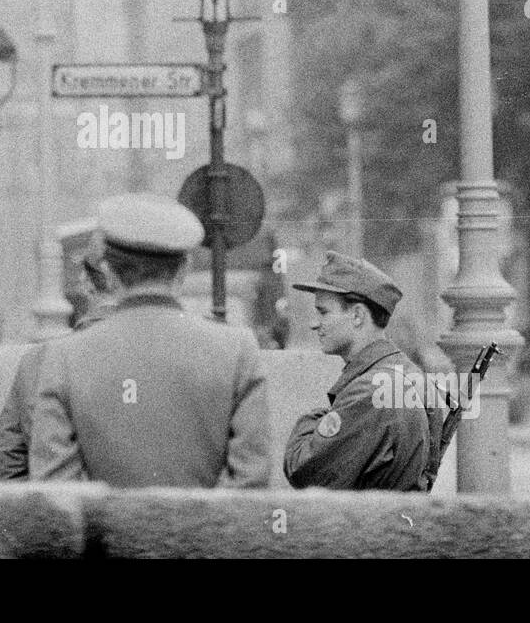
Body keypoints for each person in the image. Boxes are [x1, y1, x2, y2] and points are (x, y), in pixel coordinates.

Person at [28, 193, 271, 488]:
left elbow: (56, 492)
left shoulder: (63, 357)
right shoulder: (238, 350)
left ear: (109, 272)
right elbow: (251, 482)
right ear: (184, 269)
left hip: (103, 521)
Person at [283, 251, 436, 491]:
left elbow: (302, 469)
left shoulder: (369, 392)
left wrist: (315, 419)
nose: (315, 323)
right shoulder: (407, 372)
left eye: (323, 312)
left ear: (357, 315)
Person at [0, 246, 119, 480]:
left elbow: (8, 456)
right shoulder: (161, 354)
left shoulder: (38, 360)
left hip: (60, 499)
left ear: (86, 283)